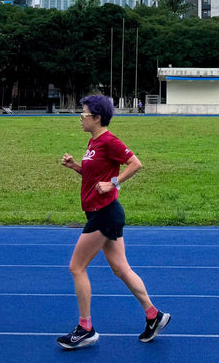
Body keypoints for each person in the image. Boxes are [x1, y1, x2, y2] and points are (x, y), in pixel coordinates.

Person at [57, 95, 170, 351]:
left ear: (97, 117)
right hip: (104, 212)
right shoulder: (93, 142)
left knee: (77, 267)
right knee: (120, 268)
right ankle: (154, 315)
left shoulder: (109, 141)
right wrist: (75, 166)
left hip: (104, 213)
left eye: (84, 114)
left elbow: (135, 164)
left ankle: (85, 328)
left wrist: (114, 183)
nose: (81, 118)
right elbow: (95, 174)